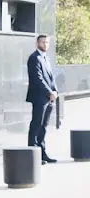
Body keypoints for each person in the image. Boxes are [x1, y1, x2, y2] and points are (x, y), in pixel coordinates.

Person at [26, 34, 58, 164]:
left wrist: (55, 91)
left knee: (44, 127)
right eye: (43, 42)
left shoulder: (46, 58)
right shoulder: (34, 58)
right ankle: (32, 155)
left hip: (49, 98)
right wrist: (50, 92)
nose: (45, 45)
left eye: (47, 42)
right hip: (39, 97)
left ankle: (42, 153)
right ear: (37, 43)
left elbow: (50, 77)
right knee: (36, 125)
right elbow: (38, 79)